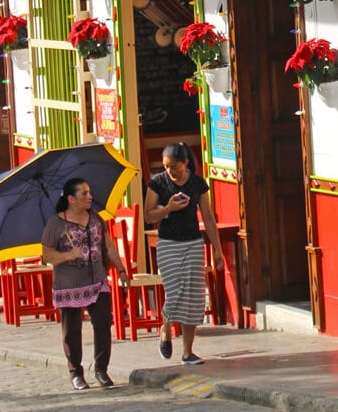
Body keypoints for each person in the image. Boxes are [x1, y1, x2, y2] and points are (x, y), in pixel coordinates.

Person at [41, 178, 129, 391]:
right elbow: (47, 255)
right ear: (71, 199)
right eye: (84, 193)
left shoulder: (96, 219)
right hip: (69, 284)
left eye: (89, 192)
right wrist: (69, 254)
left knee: (103, 322)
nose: (89, 197)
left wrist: (121, 269)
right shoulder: (56, 223)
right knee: (72, 329)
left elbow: (108, 247)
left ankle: (101, 368)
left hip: (97, 280)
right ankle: (76, 372)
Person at [144, 142, 224, 365]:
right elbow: (148, 215)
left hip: (193, 243)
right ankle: (166, 329)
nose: (170, 171)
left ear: (185, 163)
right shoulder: (158, 183)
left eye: (174, 166)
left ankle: (187, 352)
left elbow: (208, 217)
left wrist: (217, 250)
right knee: (175, 290)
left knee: (194, 295)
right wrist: (168, 208)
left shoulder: (197, 183)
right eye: (166, 166)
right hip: (168, 242)